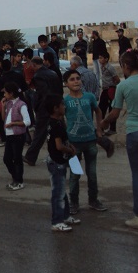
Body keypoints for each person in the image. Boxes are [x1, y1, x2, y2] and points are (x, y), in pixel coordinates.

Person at [100, 50, 138, 230]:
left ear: (125, 66)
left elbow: (115, 113)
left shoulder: (123, 86)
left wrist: (104, 122)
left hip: (134, 132)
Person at [62, 70, 107, 215]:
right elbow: (60, 118)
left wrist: (99, 129)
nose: (76, 81)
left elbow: (98, 111)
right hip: (73, 144)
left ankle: (93, 200)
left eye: (78, 78)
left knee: (92, 174)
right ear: (66, 83)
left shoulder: (90, 97)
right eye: (72, 79)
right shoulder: (65, 101)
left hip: (90, 142)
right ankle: (73, 202)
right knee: (75, 174)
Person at [45, 95, 81, 232]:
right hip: (57, 162)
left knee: (61, 191)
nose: (64, 107)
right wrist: (70, 151)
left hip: (59, 161)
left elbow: (64, 140)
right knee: (58, 194)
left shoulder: (57, 122)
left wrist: (70, 146)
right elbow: (59, 146)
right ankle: (57, 221)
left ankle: (65, 216)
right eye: (62, 105)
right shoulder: (55, 125)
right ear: (56, 108)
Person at [23, 57, 62, 166]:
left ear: (34, 65)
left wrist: (37, 106)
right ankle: (70, 154)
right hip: (56, 106)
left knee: (40, 133)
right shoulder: (53, 73)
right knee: (60, 131)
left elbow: (42, 94)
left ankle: (30, 157)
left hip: (45, 109)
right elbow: (59, 90)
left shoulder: (38, 76)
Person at [1, 82, 30, 191]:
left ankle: (19, 181)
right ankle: (15, 177)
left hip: (18, 135)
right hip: (9, 134)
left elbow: (27, 121)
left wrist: (14, 123)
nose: (4, 95)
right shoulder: (8, 104)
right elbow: (4, 118)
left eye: (5, 93)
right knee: (7, 159)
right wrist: (2, 106)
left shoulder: (21, 104)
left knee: (17, 158)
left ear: (11, 93)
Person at [98, 52, 120, 135]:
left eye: (101, 58)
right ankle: (102, 127)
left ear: (106, 59)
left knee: (111, 109)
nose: (99, 60)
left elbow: (117, 79)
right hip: (105, 89)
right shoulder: (102, 67)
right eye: (99, 58)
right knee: (101, 109)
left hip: (110, 89)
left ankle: (112, 128)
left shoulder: (110, 68)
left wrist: (112, 86)